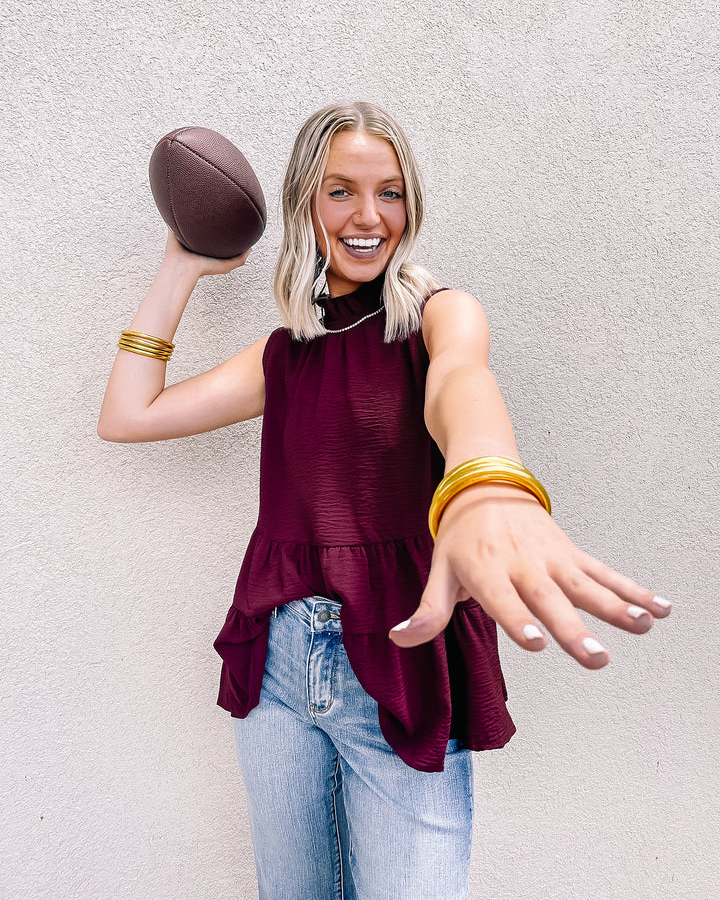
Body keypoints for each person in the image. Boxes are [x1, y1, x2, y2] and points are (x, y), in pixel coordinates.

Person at [98, 101, 672, 900]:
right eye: (340, 192)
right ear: (305, 202)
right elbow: (128, 415)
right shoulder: (284, 355)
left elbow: (462, 386)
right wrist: (183, 264)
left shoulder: (442, 316)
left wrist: (487, 480)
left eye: (391, 193)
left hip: (402, 659)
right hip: (280, 663)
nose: (369, 216)